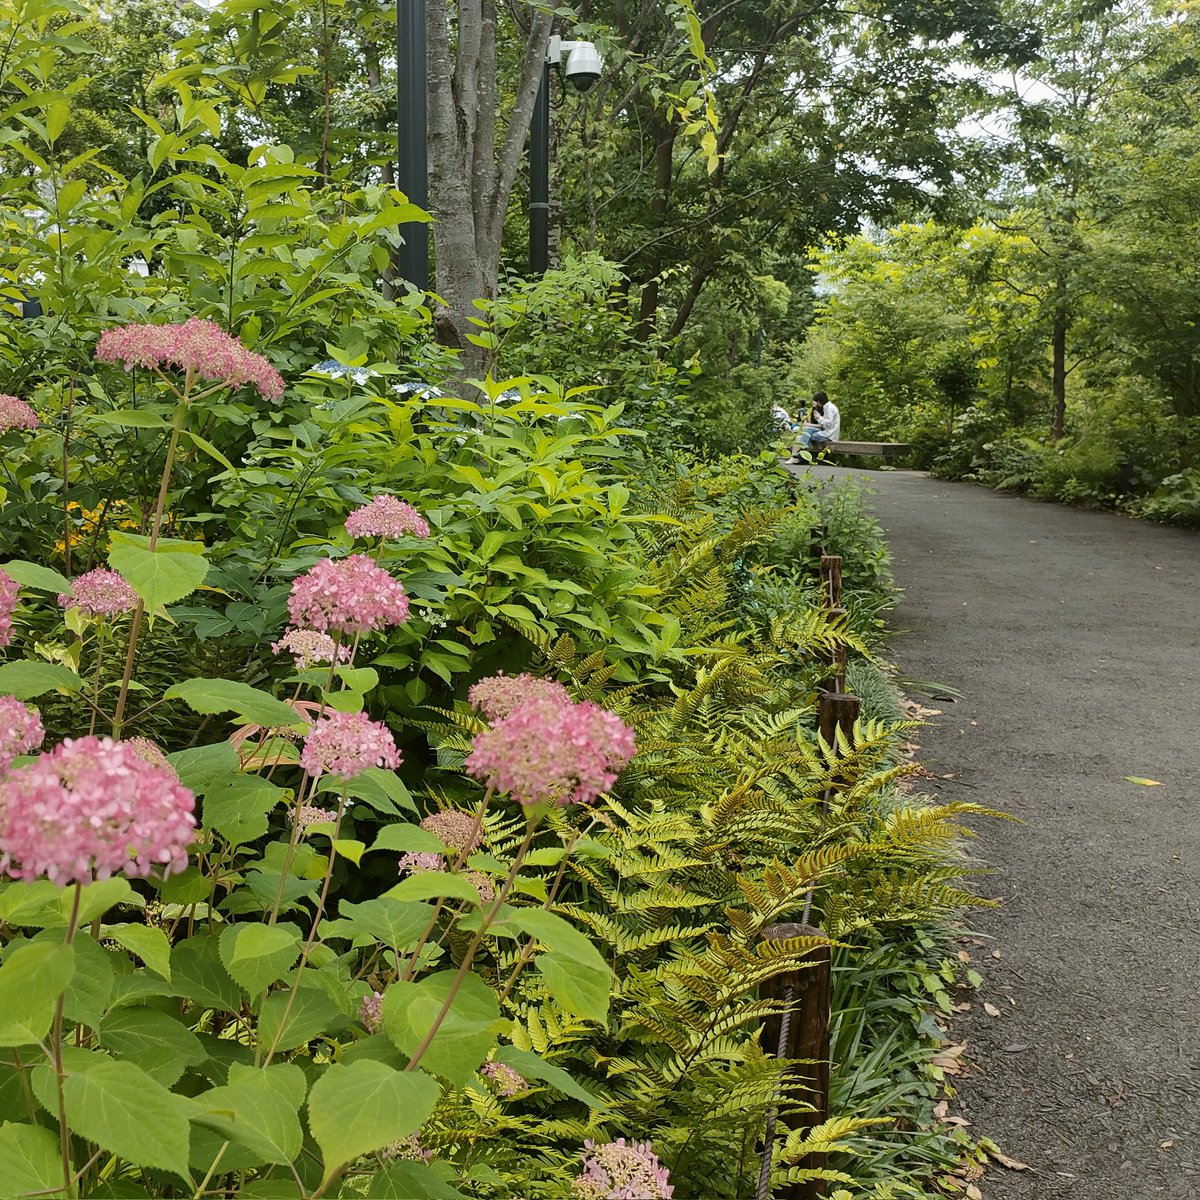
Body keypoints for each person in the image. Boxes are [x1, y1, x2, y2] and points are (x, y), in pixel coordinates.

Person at [788, 391, 840, 461]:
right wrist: (818, 418)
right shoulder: (827, 407)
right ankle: (802, 453)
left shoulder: (830, 408)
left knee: (809, 435)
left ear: (819, 401)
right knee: (808, 431)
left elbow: (828, 423)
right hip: (826, 431)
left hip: (829, 434)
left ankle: (802, 453)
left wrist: (819, 418)